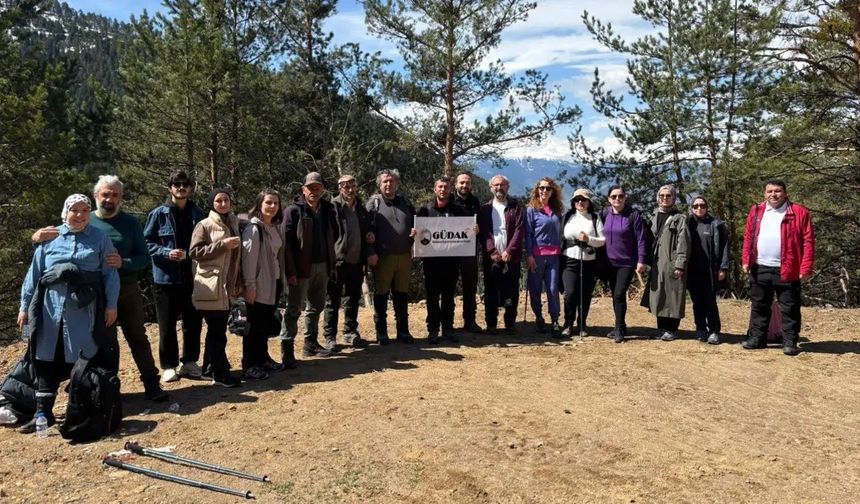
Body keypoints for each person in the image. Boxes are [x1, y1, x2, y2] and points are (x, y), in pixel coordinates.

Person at [30, 176, 168, 401]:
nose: (109, 199)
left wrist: (125, 263)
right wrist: (35, 239)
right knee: (103, 340)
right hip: (93, 294)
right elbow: (53, 247)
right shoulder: (84, 218)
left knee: (137, 336)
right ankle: (104, 387)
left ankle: (151, 384)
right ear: (96, 196)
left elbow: (144, 257)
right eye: (105, 194)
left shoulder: (131, 223)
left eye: (114, 195)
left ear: (121, 198)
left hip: (126, 288)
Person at [17, 194, 120, 433]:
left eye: (85, 210)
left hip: (84, 309)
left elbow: (109, 274)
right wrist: (24, 307)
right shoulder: (50, 237)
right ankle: (43, 413)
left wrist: (111, 305)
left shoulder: (99, 238)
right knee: (45, 358)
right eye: (75, 210)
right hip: (50, 307)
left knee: (82, 358)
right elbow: (34, 275)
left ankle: (81, 411)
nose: (81, 215)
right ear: (66, 211)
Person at [144, 171, 206, 383]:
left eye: (185, 184)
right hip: (166, 279)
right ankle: (169, 366)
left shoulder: (198, 213)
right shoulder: (158, 214)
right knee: (167, 325)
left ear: (190, 188)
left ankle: (189, 362)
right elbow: (147, 243)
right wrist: (166, 253)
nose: (181, 187)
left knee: (193, 323)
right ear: (170, 188)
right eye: (176, 184)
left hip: (193, 278)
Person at [741, 179, 814, 356]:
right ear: (764, 194)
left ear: (785, 193)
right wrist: (745, 260)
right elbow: (749, 235)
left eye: (777, 191)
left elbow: (808, 240)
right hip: (759, 266)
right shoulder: (757, 211)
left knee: (789, 307)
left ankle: (790, 342)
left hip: (787, 268)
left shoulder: (798, 212)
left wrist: (806, 267)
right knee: (759, 306)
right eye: (770, 191)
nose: (773, 194)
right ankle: (758, 339)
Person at [189, 188, 243, 387]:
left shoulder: (233, 222)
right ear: (212, 203)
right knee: (217, 332)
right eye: (218, 201)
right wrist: (222, 245)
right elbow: (194, 252)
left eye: (226, 200)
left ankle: (210, 368)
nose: (222, 204)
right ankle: (221, 374)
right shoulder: (204, 225)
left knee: (216, 330)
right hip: (211, 286)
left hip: (226, 286)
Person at [282, 172, 338, 359]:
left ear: (322, 189)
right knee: (294, 309)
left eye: (317, 187)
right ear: (303, 189)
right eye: (310, 188)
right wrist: (290, 270)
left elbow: (334, 235)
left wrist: (331, 264)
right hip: (300, 268)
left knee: (316, 306)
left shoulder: (328, 209)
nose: (314, 191)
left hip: (322, 265)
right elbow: (286, 244)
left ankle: (310, 344)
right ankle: (287, 349)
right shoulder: (293, 211)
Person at [366, 169, 417, 344]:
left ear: (397, 184)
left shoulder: (406, 202)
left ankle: (403, 331)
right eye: (385, 181)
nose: (389, 184)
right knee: (381, 296)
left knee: (401, 296)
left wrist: (415, 235)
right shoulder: (374, 203)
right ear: (380, 184)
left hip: (404, 256)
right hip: (383, 258)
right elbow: (367, 230)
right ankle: (382, 333)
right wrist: (371, 252)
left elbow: (416, 224)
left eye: (392, 181)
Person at [241, 189, 287, 379]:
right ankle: (249, 363)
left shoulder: (274, 227)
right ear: (259, 204)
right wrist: (250, 286)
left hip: (273, 283)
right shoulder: (253, 229)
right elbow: (248, 260)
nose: (272, 206)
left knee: (265, 324)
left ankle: (263, 358)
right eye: (268, 202)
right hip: (258, 285)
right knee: (254, 325)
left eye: (275, 203)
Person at [416, 177, 467, 343]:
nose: (443, 189)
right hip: (431, 262)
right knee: (432, 297)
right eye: (440, 186)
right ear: (434, 189)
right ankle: (432, 330)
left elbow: (467, 230)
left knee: (448, 297)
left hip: (451, 261)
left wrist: (474, 229)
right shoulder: (425, 210)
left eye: (446, 187)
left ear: (450, 190)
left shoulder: (458, 211)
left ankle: (448, 328)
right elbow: (418, 232)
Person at [324, 175, 373, 349]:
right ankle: (329, 336)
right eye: (345, 186)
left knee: (352, 298)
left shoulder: (361, 209)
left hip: (357, 261)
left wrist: (369, 236)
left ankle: (350, 332)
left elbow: (367, 230)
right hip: (338, 262)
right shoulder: (332, 208)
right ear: (339, 188)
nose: (350, 189)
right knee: (333, 300)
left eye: (352, 185)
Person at [477, 175, 525, 335]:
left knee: (512, 291)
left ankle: (510, 323)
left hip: (512, 257)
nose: (499, 188)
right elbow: (483, 232)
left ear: (508, 187)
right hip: (492, 258)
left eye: (502, 185)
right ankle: (491, 324)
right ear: (491, 187)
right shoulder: (485, 209)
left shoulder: (515, 207)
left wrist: (509, 251)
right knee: (490, 291)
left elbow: (519, 230)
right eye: (496, 185)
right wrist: (492, 251)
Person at [602, 185, 648, 343]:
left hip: (627, 263)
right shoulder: (605, 214)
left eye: (620, 196)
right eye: (614, 196)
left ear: (625, 198)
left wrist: (641, 260)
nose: (617, 199)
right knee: (616, 295)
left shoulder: (633, 215)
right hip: (609, 263)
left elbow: (641, 239)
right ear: (609, 199)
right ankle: (619, 326)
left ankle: (620, 328)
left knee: (619, 294)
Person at [645, 185, 690, 341]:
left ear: (674, 198)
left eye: (668, 196)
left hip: (672, 262)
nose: (665, 198)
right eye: (662, 195)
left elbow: (683, 243)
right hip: (657, 263)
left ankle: (672, 330)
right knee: (660, 296)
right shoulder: (654, 215)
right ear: (658, 197)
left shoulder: (680, 218)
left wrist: (680, 264)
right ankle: (662, 329)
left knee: (673, 296)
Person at [560, 188, 606, 337]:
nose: (580, 202)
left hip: (589, 262)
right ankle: (568, 323)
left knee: (585, 295)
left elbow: (602, 240)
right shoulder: (567, 216)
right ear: (573, 202)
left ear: (589, 202)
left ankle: (581, 324)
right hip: (569, 261)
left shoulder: (595, 218)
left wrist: (588, 240)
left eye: (583, 200)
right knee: (571, 293)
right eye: (577, 200)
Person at [687, 195, 729, 345]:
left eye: (702, 206)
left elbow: (724, 246)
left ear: (707, 207)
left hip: (710, 271)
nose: (699, 208)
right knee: (696, 302)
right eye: (696, 206)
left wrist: (723, 267)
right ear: (691, 208)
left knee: (710, 302)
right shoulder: (687, 223)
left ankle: (714, 331)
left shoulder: (716, 224)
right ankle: (700, 329)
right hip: (692, 271)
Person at [525, 177, 564, 337]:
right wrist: (529, 255)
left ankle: (555, 320)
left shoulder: (557, 209)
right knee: (534, 289)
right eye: (542, 188)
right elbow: (528, 234)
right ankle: (539, 317)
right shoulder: (531, 209)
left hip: (554, 256)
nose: (544, 191)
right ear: (537, 190)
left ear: (552, 191)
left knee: (553, 289)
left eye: (548, 188)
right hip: (537, 256)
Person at [452, 172, 482, 333]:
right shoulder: (450, 200)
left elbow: (480, 224)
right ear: (456, 184)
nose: (464, 186)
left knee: (470, 288)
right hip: (450, 252)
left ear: (471, 185)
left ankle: (470, 321)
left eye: (467, 183)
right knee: (448, 288)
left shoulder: (474, 201)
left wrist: (478, 228)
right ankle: (447, 322)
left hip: (469, 252)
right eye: (462, 183)